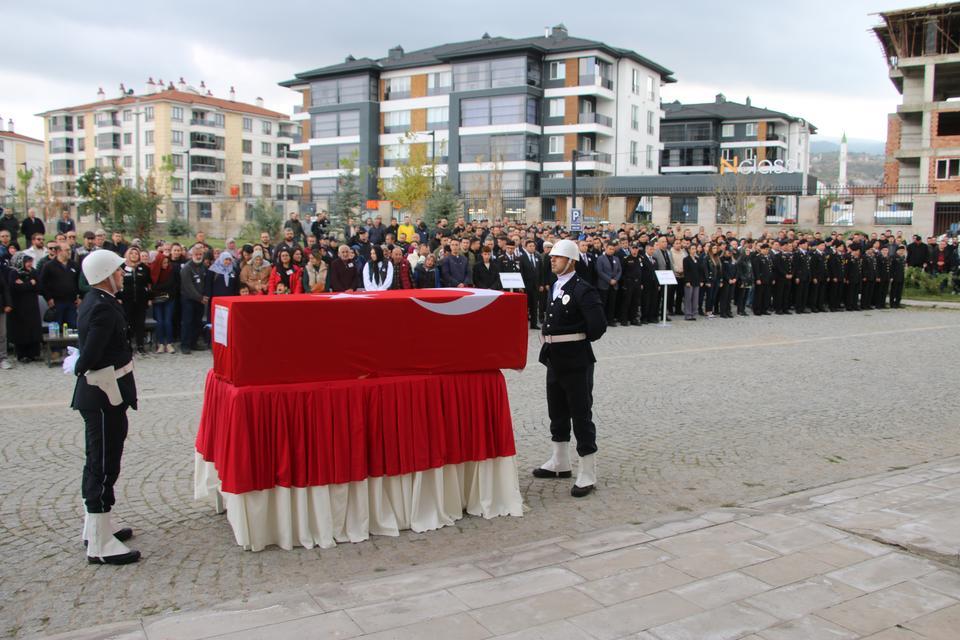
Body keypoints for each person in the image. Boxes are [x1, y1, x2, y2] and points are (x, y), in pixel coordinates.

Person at [71, 249, 140, 565]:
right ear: (104, 276)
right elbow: (90, 358)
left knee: (102, 459)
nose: (122, 274)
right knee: (102, 462)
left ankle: (98, 524)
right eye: (118, 270)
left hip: (108, 393)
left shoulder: (101, 302)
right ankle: (99, 543)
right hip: (103, 394)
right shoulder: (101, 307)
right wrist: (78, 364)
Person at [532, 239, 607, 498]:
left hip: (576, 360)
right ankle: (560, 462)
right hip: (554, 358)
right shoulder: (555, 286)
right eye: (552, 257)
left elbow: (597, 326)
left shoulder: (583, 289)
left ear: (571, 261)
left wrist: (572, 338)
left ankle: (587, 471)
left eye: (558, 257)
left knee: (581, 414)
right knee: (557, 411)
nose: (552, 260)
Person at [7, 253, 43, 362]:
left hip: (32, 305)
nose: (29, 264)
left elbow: (38, 286)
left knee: (33, 329)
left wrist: (25, 284)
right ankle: (22, 354)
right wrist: (30, 284)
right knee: (21, 330)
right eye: (27, 262)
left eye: (30, 261)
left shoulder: (33, 271)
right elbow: (15, 287)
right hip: (19, 307)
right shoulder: (14, 273)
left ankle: (33, 354)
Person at [118, 247, 151, 355]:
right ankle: (127, 345)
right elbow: (118, 283)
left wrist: (149, 298)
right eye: (131, 253)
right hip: (126, 301)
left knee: (140, 324)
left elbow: (149, 284)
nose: (133, 255)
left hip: (141, 301)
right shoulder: (122, 268)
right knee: (127, 323)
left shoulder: (144, 268)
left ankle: (140, 345)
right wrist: (118, 297)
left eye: (136, 253)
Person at [40, 241, 80, 330]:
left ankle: (71, 344)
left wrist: (80, 296)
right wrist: (48, 298)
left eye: (70, 250)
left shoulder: (75, 265)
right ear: (58, 251)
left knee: (73, 327)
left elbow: (78, 282)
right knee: (57, 327)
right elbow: (42, 284)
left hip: (72, 302)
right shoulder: (48, 266)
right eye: (66, 250)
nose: (69, 252)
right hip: (56, 303)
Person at [180, 245, 208, 354]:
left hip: (200, 300)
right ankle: (185, 345)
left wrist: (204, 296)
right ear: (192, 255)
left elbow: (206, 283)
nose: (198, 256)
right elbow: (188, 286)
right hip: (189, 299)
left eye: (200, 254)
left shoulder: (203, 267)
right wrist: (200, 298)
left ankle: (194, 342)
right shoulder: (187, 268)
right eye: (196, 254)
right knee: (187, 322)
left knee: (197, 322)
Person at [149, 250, 177, 353]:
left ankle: (169, 343)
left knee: (168, 321)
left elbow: (171, 284)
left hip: (169, 298)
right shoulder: (154, 270)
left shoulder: (171, 270)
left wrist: (158, 288)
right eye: (163, 263)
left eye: (167, 262)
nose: (166, 265)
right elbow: (152, 286)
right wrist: (160, 288)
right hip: (157, 299)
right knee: (160, 321)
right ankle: (161, 343)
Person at [595, 242, 622, 326]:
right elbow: (599, 271)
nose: (611, 251)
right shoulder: (600, 258)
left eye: (613, 249)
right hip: (604, 284)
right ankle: (602, 320)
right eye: (610, 249)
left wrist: (615, 279)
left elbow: (619, 271)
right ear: (605, 249)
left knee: (612, 303)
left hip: (614, 285)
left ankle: (610, 320)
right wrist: (609, 280)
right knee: (603, 303)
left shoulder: (616, 259)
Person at [519, 239, 542, 329]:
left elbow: (541, 272)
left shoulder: (537, 257)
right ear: (526, 247)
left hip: (535, 286)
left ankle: (533, 324)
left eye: (533, 246)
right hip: (526, 286)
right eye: (530, 246)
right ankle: (523, 324)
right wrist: (521, 286)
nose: (532, 248)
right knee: (525, 306)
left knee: (534, 305)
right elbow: (521, 272)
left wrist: (541, 284)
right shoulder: (522, 258)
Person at [682, 248, 701, 321]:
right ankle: (688, 314)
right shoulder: (686, 259)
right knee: (688, 298)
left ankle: (693, 314)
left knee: (695, 298)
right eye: (692, 249)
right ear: (689, 250)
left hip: (696, 281)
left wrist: (700, 280)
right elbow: (686, 271)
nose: (694, 250)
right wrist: (687, 281)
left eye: (695, 249)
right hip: (689, 281)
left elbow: (700, 270)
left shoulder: (697, 259)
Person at [735, 245, 754, 317]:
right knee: (741, 296)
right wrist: (743, 280)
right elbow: (739, 272)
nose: (748, 252)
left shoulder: (748, 259)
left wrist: (751, 279)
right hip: (742, 281)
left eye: (749, 250)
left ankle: (743, 309)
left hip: (748, 280)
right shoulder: (740, 260)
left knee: (746, 296)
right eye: (746, 250)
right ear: (743, 251)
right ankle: (739, 310)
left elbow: (750, 271)